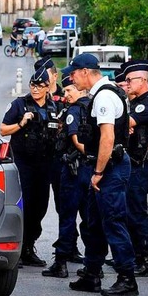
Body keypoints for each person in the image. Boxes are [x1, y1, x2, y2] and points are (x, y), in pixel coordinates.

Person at [61, 53, 138, 296]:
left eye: (73, 73)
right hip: (105, 164)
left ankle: (127, 279)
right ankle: (91, 274)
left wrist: (98, 172)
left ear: (85, 71)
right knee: (93, 223)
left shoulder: (104, 95)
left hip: (109, 167)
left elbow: (107, 137)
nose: (71, 78)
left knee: (113, 221)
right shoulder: (106, 92)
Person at [0, 67, 59, 266]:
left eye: (39, 86)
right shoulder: (19, 105)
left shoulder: (53, 107)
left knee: (39, 206)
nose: (35, 89)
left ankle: (29, 246)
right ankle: (18, 249)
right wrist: (21, 124)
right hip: (23, 163)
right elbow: (3, 129)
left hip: (44, 164)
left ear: (47, 87)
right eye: (33, 85)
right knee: (22, 206)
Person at [43, 72, 89, 277]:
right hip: (89, 169)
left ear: (81, 90)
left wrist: (90, 153)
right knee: (89, 219)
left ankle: (61, 263)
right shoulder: (92, 106)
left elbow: (76, 140)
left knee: (68, 217)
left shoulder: (75, 111)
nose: (66, 94)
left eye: (70, 90)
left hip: (74, 170)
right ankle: (92, 265)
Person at [120, 60, 148, 277]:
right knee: (128, 211)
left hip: (140, 164)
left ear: (143, 81)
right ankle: (135, 255)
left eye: (129, 80)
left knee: (136, 211)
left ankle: (145, 259)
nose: (126, 84)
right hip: (132, 163)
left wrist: (126, 126)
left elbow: (126, 123)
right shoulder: (136, 103)